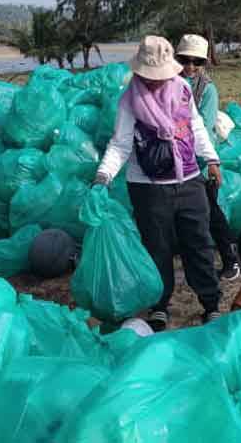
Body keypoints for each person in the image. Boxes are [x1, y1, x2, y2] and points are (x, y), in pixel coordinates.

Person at [93, 36, 222, 331]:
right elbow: (120, 144)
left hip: (189, 180)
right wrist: (103, 176)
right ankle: (160, 305)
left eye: (159, 75)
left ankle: (211, 303)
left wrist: (212, 159)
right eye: (149, 75)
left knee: (199, 243)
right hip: (148, 187)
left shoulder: (183, 89)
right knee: (157, 247)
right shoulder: (130, 100)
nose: (154, 81)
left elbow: (196, 127)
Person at [175, 33, 241, 281]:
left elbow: (203, 124)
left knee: (210, 210)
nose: (190, 67)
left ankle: (231, 258)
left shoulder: (207, 89)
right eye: (185, 60)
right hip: (175, 160)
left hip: (200, 160)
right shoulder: (170, 82)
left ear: (204, 63)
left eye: (197, 62)